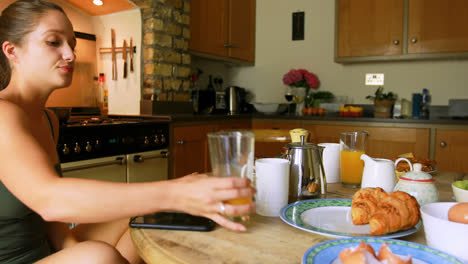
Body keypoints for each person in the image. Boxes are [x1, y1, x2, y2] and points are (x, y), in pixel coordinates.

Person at [0, 1, 256, 263]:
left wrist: (71, 250)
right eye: (54, 42)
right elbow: (50, 200)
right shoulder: (2, 114)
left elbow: (47, 219)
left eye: (73, 44)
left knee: (145, 218)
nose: (71, 55)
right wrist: (178, 192)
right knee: (98, 256)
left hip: (44, 251)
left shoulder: (48, 119)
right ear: (12, 51)